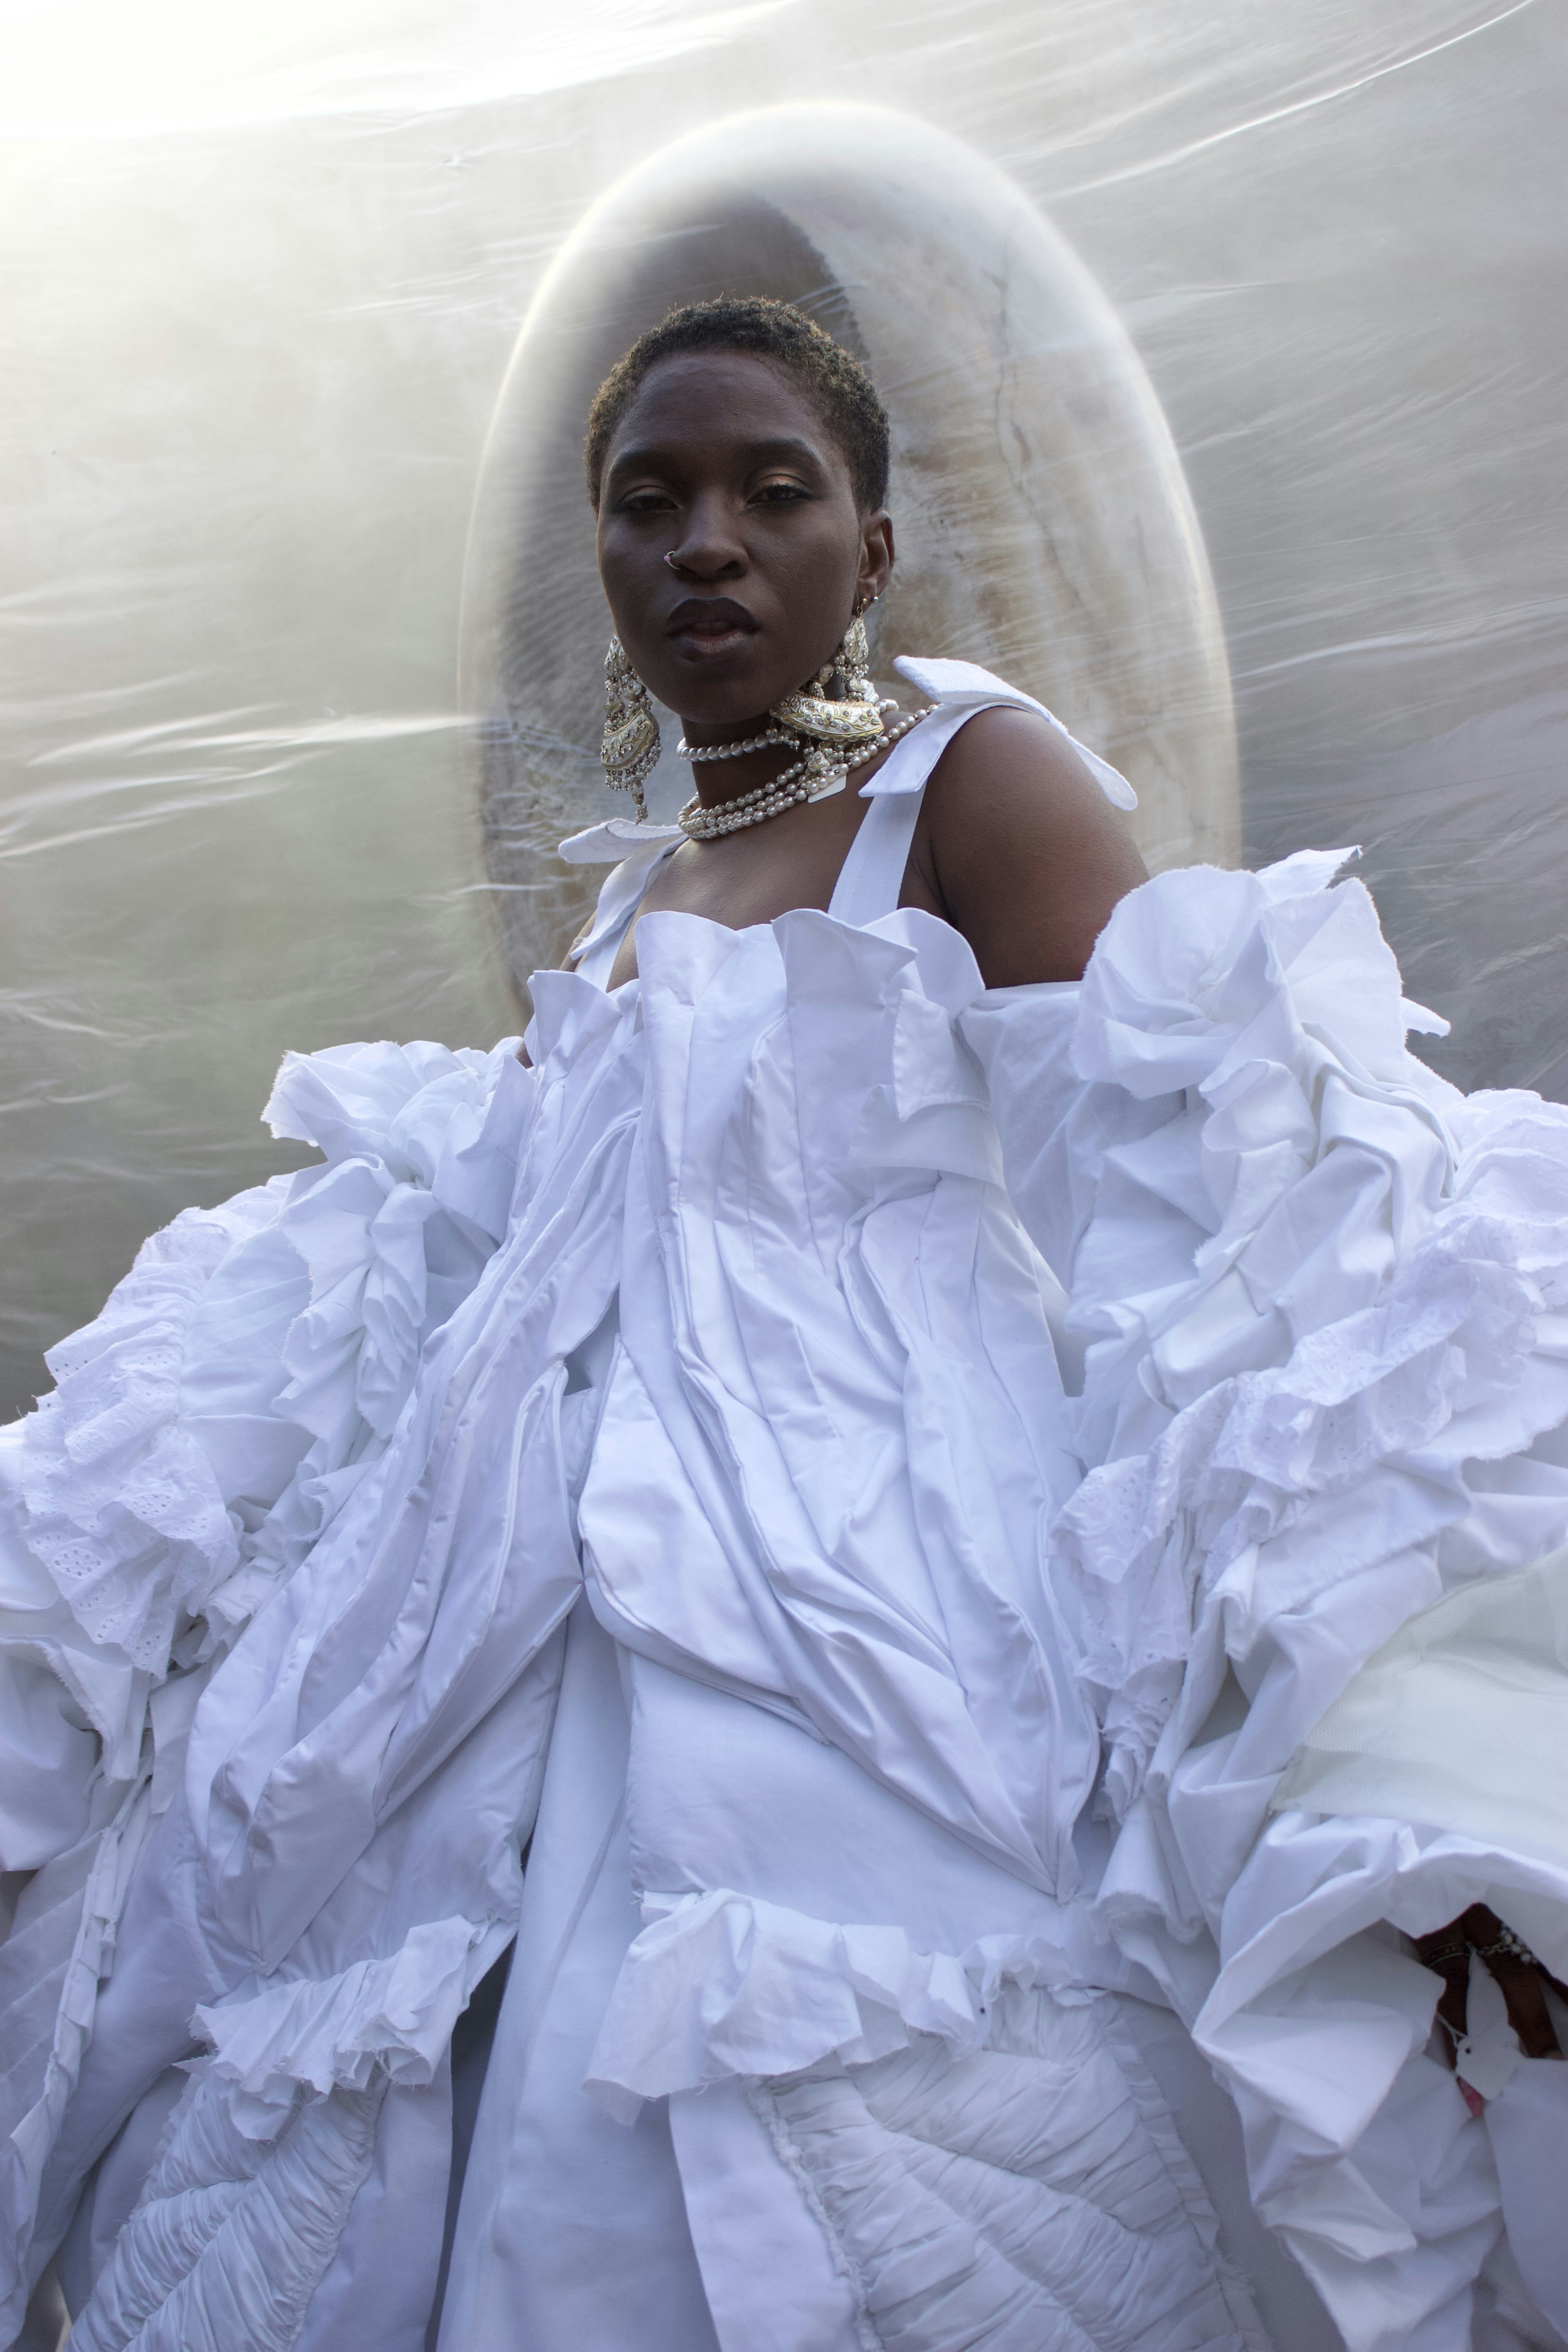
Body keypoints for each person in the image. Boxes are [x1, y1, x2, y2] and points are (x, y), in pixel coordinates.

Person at [2, 295, 1567, 2352]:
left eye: (771, 490)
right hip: (524, 1615)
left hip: (885, 1592)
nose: (704, 543)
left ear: (875, 545)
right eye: (649, 504)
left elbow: (1218, 1212)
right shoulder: (638, 880)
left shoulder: (975, 782)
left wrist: (1382, 1749)